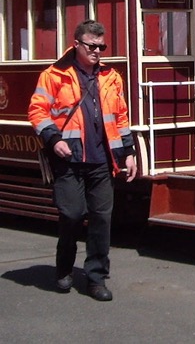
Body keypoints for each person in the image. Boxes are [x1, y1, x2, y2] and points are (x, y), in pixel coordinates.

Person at [28, 20, 137, 301]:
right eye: (92, 46)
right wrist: (55, 140)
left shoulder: (112, 77)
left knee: (101, 219)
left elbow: (121, 117)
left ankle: (96, 279)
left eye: (102, 47)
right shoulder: (53, 75)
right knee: (72, 215)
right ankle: (64, 267)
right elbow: (37, 112)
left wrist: (129, 152)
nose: (98, 51)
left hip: (102, 161)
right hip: (69, 160)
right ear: (76, 44)